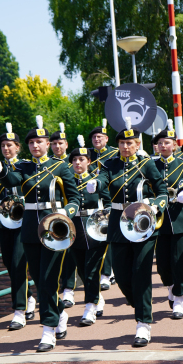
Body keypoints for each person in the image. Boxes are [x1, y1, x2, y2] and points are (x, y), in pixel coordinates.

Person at [0, 116, 81, 352]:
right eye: (31, 143)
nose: (34, 146)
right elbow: (13, 180)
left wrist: (65, 212)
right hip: (31, 229)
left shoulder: (60, 166)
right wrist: (1, 173)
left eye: (39, 142)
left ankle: (48, 330)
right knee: (41, 281)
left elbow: (75, 198)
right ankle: (60, 313)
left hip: (56, 228)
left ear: (47, 143)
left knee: (49, 279)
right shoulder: (23, 167)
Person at [87, 119, 167, 347]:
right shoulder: (110, 164)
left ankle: (143, 323)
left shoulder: (146, 164)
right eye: (121, 142)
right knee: (121, 275)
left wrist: (155, 205)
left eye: (129, 143)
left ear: (137, 143)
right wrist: (96, 183)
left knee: (141, 272)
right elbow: (102, 179)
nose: (124, 146)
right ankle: (138, 304)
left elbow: (162, 192)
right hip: (117, 223)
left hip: (142, 223)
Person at [0, 124, 35, 331]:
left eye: (10, 145)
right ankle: (29, 296)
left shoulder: (25, 165)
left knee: (17, 263)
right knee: (8, 262)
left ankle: (19, 310)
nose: (6, 149)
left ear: (17, 147)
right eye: (3, 146)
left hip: (23, 218)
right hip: (4, 219)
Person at [153, 122, 183, 319]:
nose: (163, 146)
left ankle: (179, 298)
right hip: (159, 220)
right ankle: (170, 285)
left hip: (180, 217)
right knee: (162, 264)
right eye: (160, 143)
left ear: (175, 145)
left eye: (167, 142)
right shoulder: (151, 165)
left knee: (179, 260)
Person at [66, 137, 111, 326]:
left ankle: (89, 307)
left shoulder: (97, 180)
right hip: (74, 227)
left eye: (81, 160)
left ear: (89, 162)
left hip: (95, 227)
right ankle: (96, 296)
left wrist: (105, 218)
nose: (77, 163)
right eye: (74, 160)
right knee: (81, 268)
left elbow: (108, 202)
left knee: (93, 268)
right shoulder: (67, 181)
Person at [50, 123, 77, 309]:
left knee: (70, 254)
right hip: (52, 216)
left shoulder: (73, 161)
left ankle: (69, 288)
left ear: (66, 144)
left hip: (70, 212)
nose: (57, 147)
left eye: (60, 143)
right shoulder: (47, 164)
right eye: (54, 144)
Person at [88, 120, 117, 293]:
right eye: (94, 137)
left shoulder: (113, 153)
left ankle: (108, 273)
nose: (96, 139)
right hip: (93, 200)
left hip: (110, 198)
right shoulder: (89, 154)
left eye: (99, 136)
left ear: (106, 138)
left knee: (109, 235)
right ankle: (105, 273)